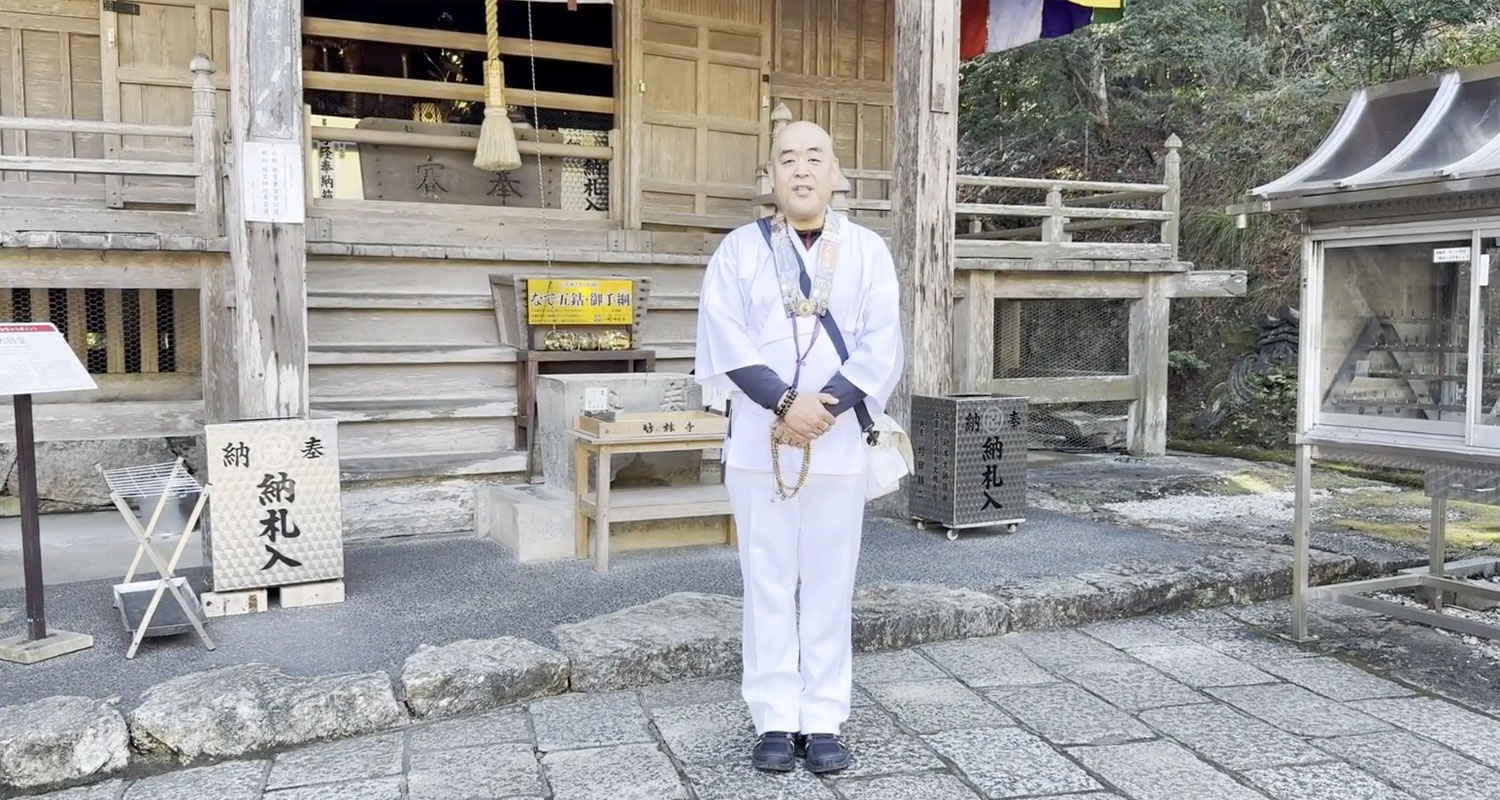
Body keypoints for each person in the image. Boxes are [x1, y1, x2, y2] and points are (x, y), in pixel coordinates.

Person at [693, 120, 904, 774]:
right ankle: (775, 717)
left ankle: (824, 717)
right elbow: (726, 341)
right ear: (772, 176)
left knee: (831, 582)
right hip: (761, 443)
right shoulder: (738, 250)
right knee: (767, 581)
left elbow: (880, 344)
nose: (802, 170)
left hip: (836, 444)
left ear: (836, 172)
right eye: (788, 159)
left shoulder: (867, 250)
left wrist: (821, 409)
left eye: (815, 157)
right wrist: (786, 404)